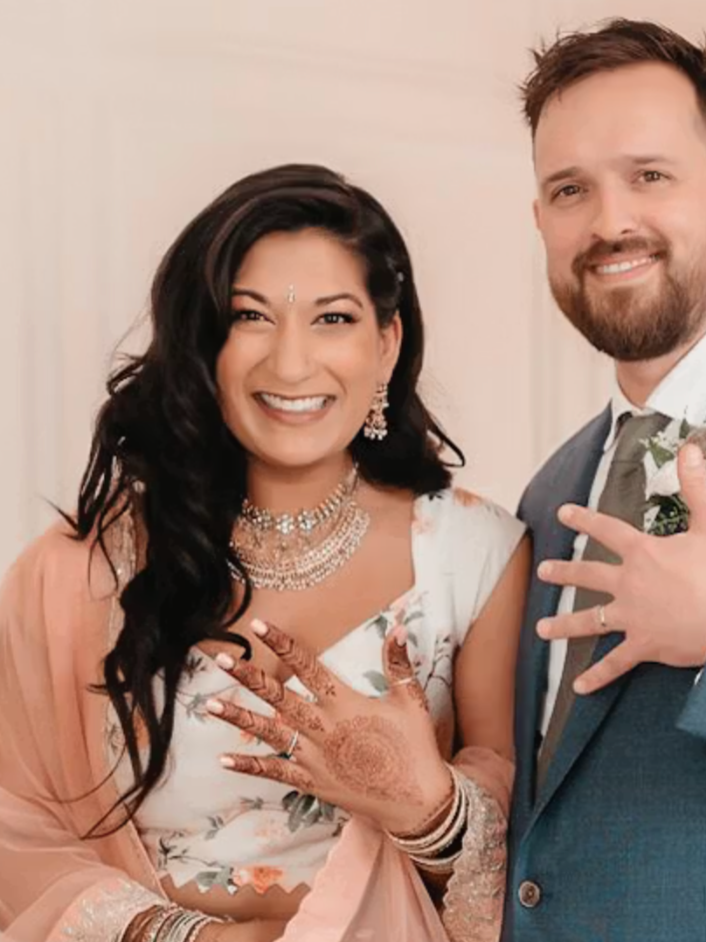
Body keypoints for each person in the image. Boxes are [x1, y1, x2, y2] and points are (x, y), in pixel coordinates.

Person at [0, 164, 529, 942]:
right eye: (251, 316)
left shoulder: (475, 557)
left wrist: (425, 807)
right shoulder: (82, 569)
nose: (289, 364)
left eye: (334, 319)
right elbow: (15, 824)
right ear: (205, 344)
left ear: (387, 345)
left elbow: (529, 858)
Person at [504, 19, 706, 942]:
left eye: (650, 176)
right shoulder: (551, 492)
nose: (610, 221)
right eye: (570, 190)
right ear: (540, 220)